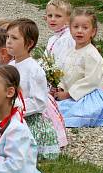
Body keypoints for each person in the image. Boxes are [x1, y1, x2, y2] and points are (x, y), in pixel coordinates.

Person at [6, 19, 64, 159]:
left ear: (29, 43)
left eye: (14, 38)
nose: (8, 41)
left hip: (29, 119)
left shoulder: (34, 70)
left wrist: (16, 109)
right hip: (11, 113)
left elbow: (39, 102)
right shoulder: (11, 64)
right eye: (7, 37)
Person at [54, 8, 103, 127]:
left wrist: (69, 94)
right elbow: (65, 72)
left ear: (93, 32)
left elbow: (91, 81)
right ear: (70, 29)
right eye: (76, 27)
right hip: (69, 93)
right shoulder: (70, 51)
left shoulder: (91, 54)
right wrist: (61, 87)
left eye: (85, 28)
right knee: (52, 107)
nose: (80, 31)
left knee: (69, 114)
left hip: (87, 95)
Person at [44, 0, 74, 70]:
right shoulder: (53, 38)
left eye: (58, 16)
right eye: (50, 16)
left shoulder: (69, 38)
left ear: (68, 19)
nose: (53, 19)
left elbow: (64, 63)